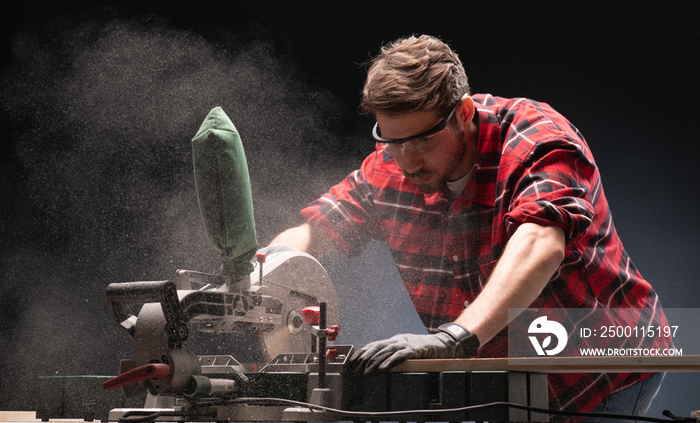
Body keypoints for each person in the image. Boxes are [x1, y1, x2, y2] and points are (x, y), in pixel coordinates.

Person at [268, 34, 668, 420]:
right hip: (504, 376)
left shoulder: (538, 140)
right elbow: (312, 230)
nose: (407, 161)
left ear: (463, 114)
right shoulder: (388, 167)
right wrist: (267, 279)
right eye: (392, 142)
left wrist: (453, 338)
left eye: (422, 142)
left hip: (602, 369)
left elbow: (541, 243)